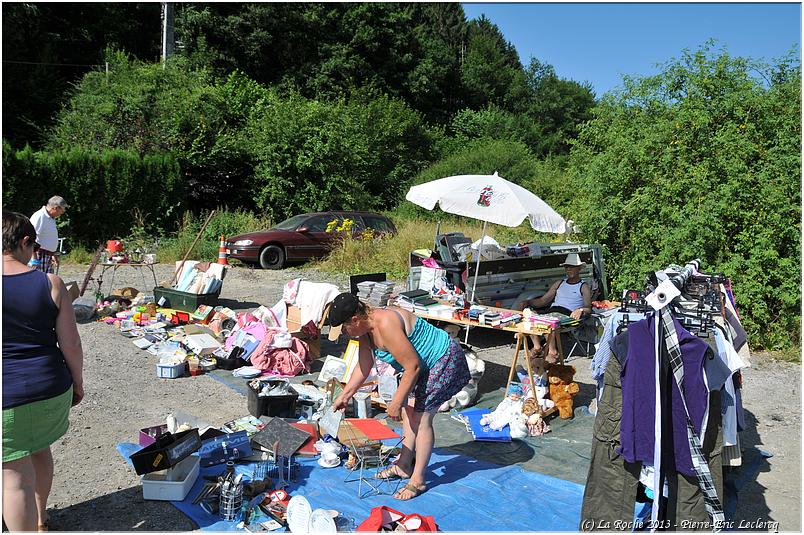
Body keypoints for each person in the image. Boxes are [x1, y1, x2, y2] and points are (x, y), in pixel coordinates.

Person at [328, 292, 470, 500]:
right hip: (420, 366)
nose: (342, 333)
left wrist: (396, 401)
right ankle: (404, 465)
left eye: (343, 327)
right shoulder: (365, 332)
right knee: (409, 412)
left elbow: (411, 365)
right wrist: (346, 394)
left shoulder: (385, 323)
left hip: (442, 358)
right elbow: (364, 365)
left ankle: (418, 480)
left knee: (421, 419)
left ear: (355, 319)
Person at [3, 211, 84, 532]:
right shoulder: (51, 283)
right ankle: (40, 518)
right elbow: (72, 345)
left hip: (6, 398)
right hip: (50, 389)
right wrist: (78, 384)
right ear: (25, 243)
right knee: (38, 448)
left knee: (12, 477)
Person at [513, 253, 592, 363]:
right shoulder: (559, 283)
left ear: (579, 268)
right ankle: (537, 347)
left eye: (572, 267)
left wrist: (581, 310)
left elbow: (588, 308)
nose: (568, 269)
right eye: (567, 267)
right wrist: (528, 302)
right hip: (553, 310)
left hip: (568, 313)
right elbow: (543, 301)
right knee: (529, 317)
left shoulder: (583, 286)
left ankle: (553, 352)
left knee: (548, 323)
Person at [29, 196, 69, 274]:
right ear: (56, 208)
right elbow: (31, 236)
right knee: (38, 282)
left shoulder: (51, 218)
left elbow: (48, 237)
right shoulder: (40, 216)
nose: (62, 213)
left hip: (47, 256)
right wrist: (34, 257)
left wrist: (52, 254)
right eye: (62, 210)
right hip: (39, 255)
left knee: (48, 282)